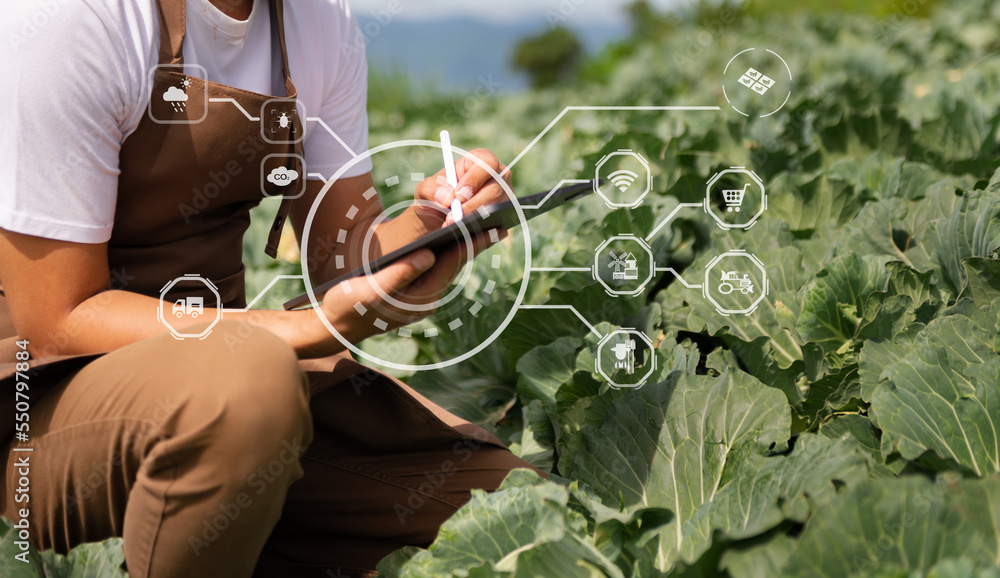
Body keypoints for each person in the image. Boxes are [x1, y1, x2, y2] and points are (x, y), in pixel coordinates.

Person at [0, 0, 537, 576]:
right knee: (250, 384)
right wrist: (303, 329)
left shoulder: (320, 21)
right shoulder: (76, 18)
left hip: (229, 392)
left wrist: (435, 221)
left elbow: (344, 253)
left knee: (513, 511)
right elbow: (57, 324)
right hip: (37, 413)